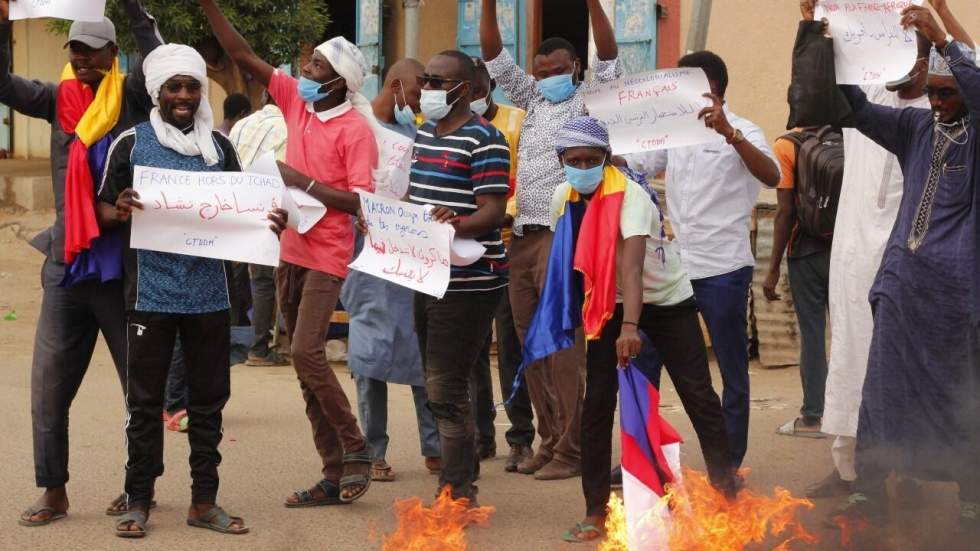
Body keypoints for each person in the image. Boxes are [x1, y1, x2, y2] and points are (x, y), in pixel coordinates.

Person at [95, 43, 286, 537]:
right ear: (157, 92)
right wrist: (117, 209)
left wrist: (270, 220)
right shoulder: (131, 143)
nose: (183, 95)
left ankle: (204, 501)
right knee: (144, 403)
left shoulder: (219, 149)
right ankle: (139, 498)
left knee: (208, 404)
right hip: (150, 294)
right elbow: (100, 210)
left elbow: (242, 210)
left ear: (202, 92)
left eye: (192, 86)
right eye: (174, 87)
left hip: (209, 295)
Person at [200, 0, 378, 506]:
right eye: (308, 62)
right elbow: (243, 54)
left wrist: (303, 181)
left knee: (304, 352)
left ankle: (355, 445)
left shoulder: (356, 131)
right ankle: (333, 472)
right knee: (305, 368)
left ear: (340, 81)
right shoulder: (298, 104)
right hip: (290, 246)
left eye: (318, 66)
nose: (306, 70)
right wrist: (210, 7)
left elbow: (361, 202)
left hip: (327, 254)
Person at [0, 0, 163, 526]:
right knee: (47, 389)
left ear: (113, 54)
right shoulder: (55, 100)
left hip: (123, 270)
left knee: (139, 390)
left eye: (93, 51)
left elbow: (158, 60)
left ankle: (139, 489)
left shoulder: (135, 99)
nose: (82, 59)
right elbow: (2, 85)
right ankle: (54, 491)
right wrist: (2, 23)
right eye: (75, 50)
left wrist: (137, 10)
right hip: (67, 267)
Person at [805, 0, 973, 500]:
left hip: (956, 290)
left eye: (947, 93)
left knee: (958, 391)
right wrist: (822, 41)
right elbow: (852, 107)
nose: (938, 103)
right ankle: (870, 480)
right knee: (877, 381)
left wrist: (941, 35)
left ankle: (967, 491)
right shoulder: (916, 127)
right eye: (935, 93)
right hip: (897, 280)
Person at [544, 117, 737, 543]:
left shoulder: (630, 196)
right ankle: (596, 510)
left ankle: (727, 496)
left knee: (699, 396)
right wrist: (572, 317)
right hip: (607, 306)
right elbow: (568, 261)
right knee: (596, 405)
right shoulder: (564, 195)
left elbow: (631, 269)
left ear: (606, 159)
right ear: (562, 162)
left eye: (590, 159)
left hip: (664, 300)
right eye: (573, 160)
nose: (582, 166)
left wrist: (630, 327)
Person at [480, 0, 622, 480]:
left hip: (567, 234)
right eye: (541, 73)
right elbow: (494, 56)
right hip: (523, 235)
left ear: (573, 69)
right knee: (530, 341)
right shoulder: (533, 101)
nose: (547, 79)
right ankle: (548, 438)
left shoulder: (590, 97)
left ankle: (574, 447)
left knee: (565, 345)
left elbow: (607, 50)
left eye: (556, 71)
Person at [624, 51, 781, 468]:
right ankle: (643, 459)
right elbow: (636, 164)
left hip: (724, 267)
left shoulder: (745, 129)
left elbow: (773, 176)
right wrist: (602, 142)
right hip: (676, 268)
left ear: (714, 90)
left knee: (730, 367)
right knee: (647, 360)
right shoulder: (675, 131)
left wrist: (731, 134)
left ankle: (727, 462)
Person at [410, 50, 510, 502]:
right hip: (426, 273)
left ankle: (456, 491)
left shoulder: (486, 139)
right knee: (448, 378)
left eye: (438, 81)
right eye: (426, 80)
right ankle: (463, 473)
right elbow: (416, 200)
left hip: (470, 282)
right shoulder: (426, 133)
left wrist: (452, 224)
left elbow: (492, 212)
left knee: (445, 387)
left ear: (467, 91)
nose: (428, 88)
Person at [340, 58, 442, 482]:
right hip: (369, 260)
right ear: (396, 85)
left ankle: (434, 448)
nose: (418, 103)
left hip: (411, 257)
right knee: (370, 359)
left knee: (422, 355)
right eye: (417, 92)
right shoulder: (357, 129)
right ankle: (374, 451)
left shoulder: (418, 136)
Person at [468, 57, 534, 470]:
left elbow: (530, 179)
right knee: (472, 349)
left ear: (489, 84)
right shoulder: (446, 129)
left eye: (475, 88)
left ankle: (521, 437)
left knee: (511, 347)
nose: (469, 96)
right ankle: (480, 435)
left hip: (509, 248)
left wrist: (501, 213)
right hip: (466, 252)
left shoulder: (518, 121)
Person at [766, 126, 834, 439]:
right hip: (846, 250)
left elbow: (785, 212)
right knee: (853, 333)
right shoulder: (849, 134)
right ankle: (857, 414)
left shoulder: (786, 144)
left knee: (813, 335)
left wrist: (773, 268)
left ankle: (813, 417)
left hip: (805, 253)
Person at [229, 90, 290, 367]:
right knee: (263, 280)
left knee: (232, 277)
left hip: (231, 205)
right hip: (266, 209)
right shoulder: (289, 127)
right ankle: (259, 348)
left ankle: (227, 341)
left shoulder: (242, 124)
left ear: (264, 97)